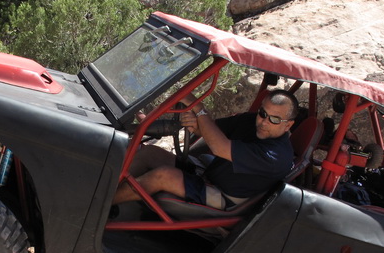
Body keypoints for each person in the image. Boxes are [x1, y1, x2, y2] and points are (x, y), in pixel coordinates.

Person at [113, 90, 299, 209]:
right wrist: (195, 123)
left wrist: (199, 109)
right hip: (209, 175)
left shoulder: (276, 156)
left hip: (226, 197)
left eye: (274, 119)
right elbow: (210, 130)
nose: (264, 122)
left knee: (163, 176)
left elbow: (220, 147)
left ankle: (102, 205)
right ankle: (107, 188)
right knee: (150, 153)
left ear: (288, 125)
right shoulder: (250, 121)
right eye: (263, 113)